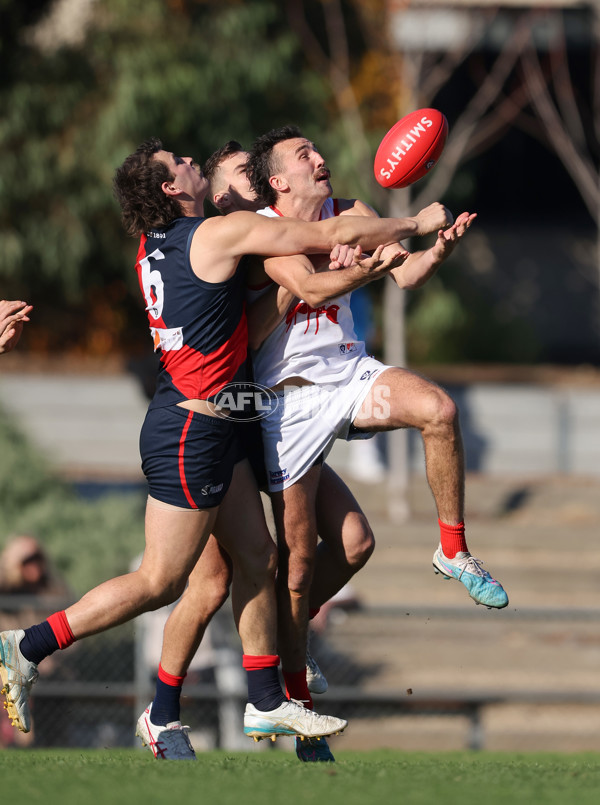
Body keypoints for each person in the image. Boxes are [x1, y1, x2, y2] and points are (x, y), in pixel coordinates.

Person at [0, 136, 442, 754]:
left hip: (219, 422)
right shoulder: (210, 235)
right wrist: (414, 222)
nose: (191, 161)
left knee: (258, 557)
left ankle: (264, 703)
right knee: (162, 580)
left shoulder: (158, 247)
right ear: (170, 190)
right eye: (181, 164)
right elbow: (309, 239)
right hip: (191, 430)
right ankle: (26, 646)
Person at [131, 139, 458, 764]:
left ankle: (280, 659)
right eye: (225, 183)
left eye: (240, 182)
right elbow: (296, 294)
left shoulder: (254, 230)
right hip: (224, 419)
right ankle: (174, 711)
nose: (235, 192)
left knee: (349, 544)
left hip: (263, 416)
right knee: (211, 581)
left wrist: (397, 246)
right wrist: (366, 251)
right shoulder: (239, 239)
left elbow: (340, 251)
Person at [239, 125, 508, 747]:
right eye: (304, 156)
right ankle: (298, 703)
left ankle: (453, 549)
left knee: (439, 410)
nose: (321, 159)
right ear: (278, 180)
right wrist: (369, 260)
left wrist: (433, 248)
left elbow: (406, 275)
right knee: (308, 561)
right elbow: (309, 287)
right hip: (291, 398)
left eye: (317, 151)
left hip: (350, 372)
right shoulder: (267, 229)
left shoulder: (353, 212)